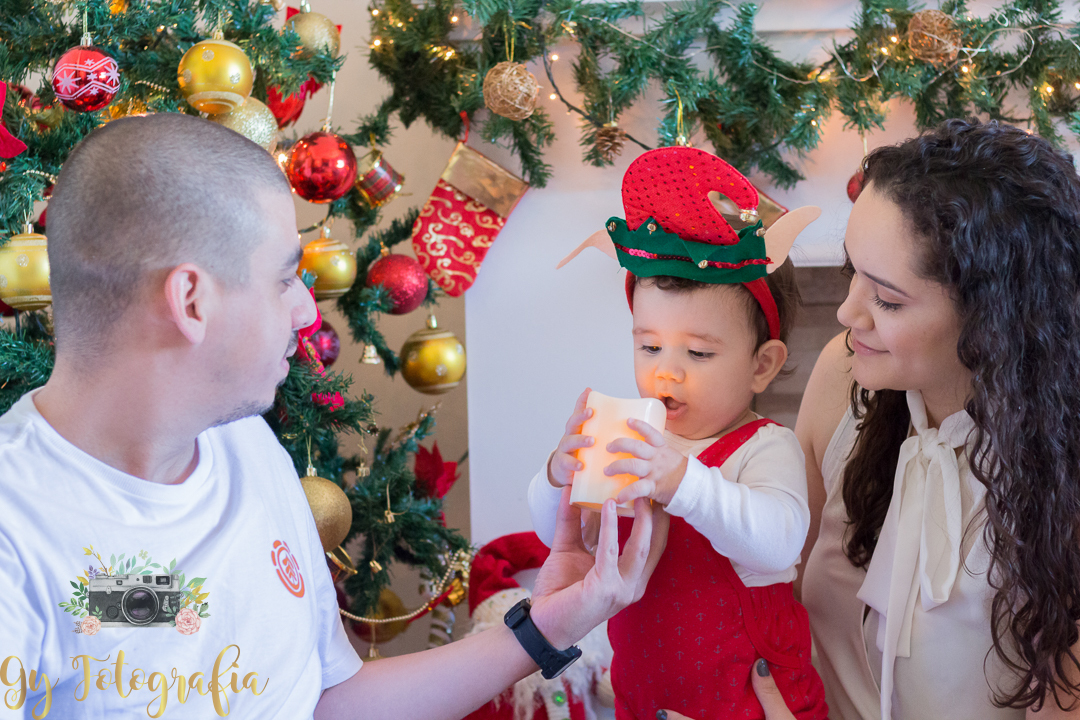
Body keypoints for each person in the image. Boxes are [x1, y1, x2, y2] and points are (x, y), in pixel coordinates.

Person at [0, 113, 665, 719]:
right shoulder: (16, 535)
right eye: (285, 279)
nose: (307, 314)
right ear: (191, 301)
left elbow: (330, 699)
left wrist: (552, 624)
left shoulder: (244, 448)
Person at [783, 118, 1080, 720]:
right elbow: (771, 586)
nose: (846, 313)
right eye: (851, 273)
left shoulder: (1062, 482)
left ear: (994, 319)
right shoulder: (843, 379)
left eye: (888, 300)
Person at [528, 146, 828, 720]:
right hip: (646, 702)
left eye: (698, 352)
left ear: (761, 365)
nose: (667, 370)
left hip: (748, 704)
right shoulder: (630, 440)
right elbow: (564, 539)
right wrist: (558, 477)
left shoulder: (762, 448)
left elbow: (781, 540)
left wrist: (684, 481)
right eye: (648, 346)